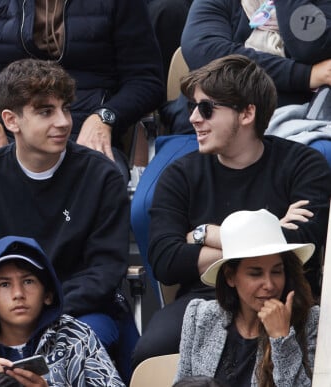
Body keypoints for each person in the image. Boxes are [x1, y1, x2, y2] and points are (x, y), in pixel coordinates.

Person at [132, 54, 331, 368]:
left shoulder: (304, 164)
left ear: (247, 112)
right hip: (205, 297)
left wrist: (203, 235)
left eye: (207, 108)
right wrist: (269, 234)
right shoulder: (180, 174)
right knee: (150, 351)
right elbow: (165, 260)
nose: (195, 118)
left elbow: (303, 241)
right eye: (192, 108)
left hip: (283, 296)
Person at [131, 0, 331, 276]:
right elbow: (204, 52)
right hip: (212, 125)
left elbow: (312, 45)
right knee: (144, 205)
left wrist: (200, 236)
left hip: (302, 119)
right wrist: (304, 74)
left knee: (323, 161)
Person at [0, 59, 130, 351]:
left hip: (82, 312)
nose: (63, 121)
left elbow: (106, 269)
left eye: (65, 108)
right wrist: (10, 310)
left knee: (81, 344)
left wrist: (45, 309)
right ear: (10, 120)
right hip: (2, 317)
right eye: (45, 111)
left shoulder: (101, 176)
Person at [0, 0, 165, 177]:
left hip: (83, 131)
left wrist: (105, 117)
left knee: (102, 180)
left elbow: (146, 79)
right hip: (10, 132)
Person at [0, 235, 124, 387]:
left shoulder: (77, 339)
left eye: (28, 281)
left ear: (48, 294)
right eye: (4, 284)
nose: (18, 293)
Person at [175, 209, 319, 386]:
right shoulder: (200, 316)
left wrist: (281, 338)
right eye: (255, 273)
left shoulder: (310, 322)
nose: (269, 284)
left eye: (276, 271)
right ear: (230, 277)